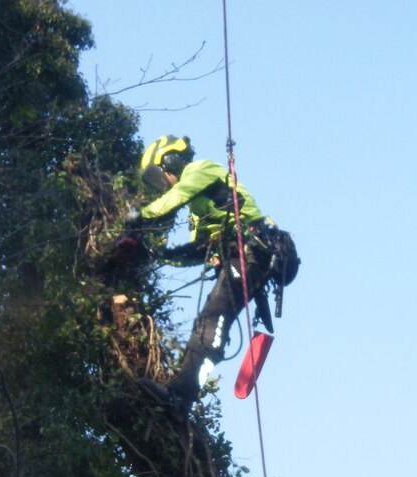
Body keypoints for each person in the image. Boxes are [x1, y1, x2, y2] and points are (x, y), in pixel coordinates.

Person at [127, 135, 299, 412]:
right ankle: (183, 391)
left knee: (212, 318)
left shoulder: (200, 170)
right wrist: (162, 255)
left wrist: (141, 216)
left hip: (252, 252)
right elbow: (201, 249)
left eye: (158, 174)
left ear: (169, 160)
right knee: (208, 321)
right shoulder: (200, 210)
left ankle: (180, 396)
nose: (162, 182)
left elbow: (176, 197)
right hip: (240, 256)